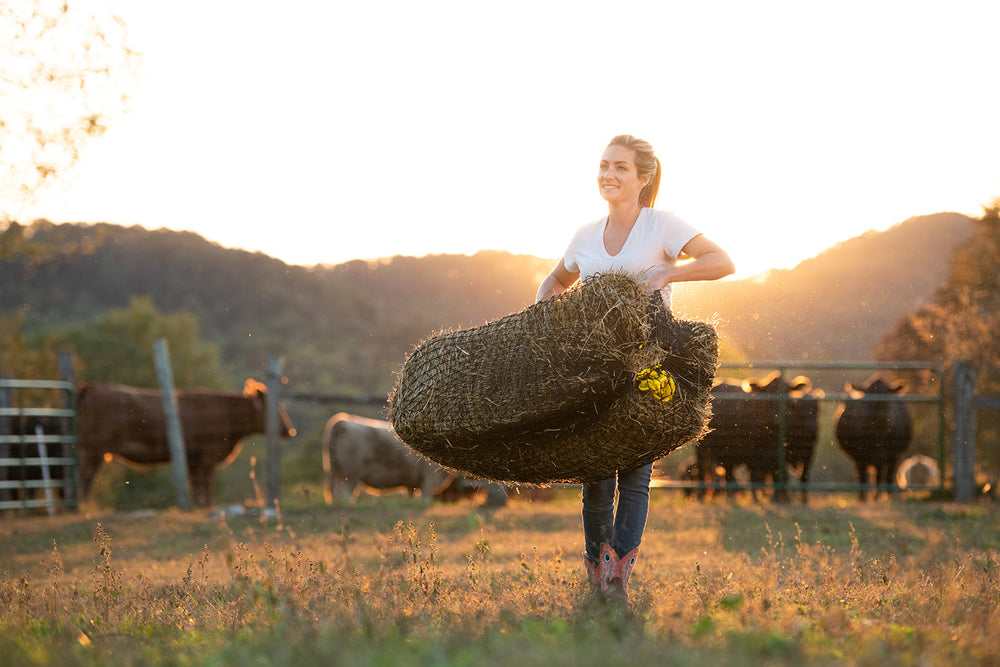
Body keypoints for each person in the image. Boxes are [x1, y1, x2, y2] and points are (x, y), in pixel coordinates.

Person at [536, 134, 735, 605]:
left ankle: (619, 579)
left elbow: (721, 261)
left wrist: (668, 273)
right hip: (594, 372)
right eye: (604, 165)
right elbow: (554, 280)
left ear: (643, 178)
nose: (608, 174)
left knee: (635, 477)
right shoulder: (585, 235)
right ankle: (597, 575)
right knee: (596, 477)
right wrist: (544, 321)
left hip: (650, 368)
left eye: (620, 167)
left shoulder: (663, 226)